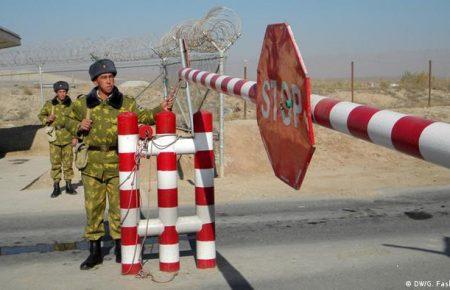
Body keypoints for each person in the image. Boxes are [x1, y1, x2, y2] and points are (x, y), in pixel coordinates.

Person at [65, 59, 174, 270]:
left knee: (118, 208)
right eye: (104, 77)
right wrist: (78, 125)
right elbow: (65, 122)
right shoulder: (82, 104)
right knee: (93, 209)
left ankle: (120, 248)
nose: (109, 80)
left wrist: (160, 108)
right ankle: (94, 252)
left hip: (118, 163)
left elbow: (144, 116)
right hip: (92, 165)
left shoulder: (126, 103)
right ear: (96, 80)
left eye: (111, 76)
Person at [38, 81, 77, 198]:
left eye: (64, 91)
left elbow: (76, 122)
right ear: (56, 92)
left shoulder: (71, 105)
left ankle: (69, 185)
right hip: (54, 137)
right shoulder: (50, 104)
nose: (62, 94)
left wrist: (75, 137)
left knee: (68, 163)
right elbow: (41, 115)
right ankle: (56, 186)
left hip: (68, 137)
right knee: (55, 163)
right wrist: (47, 119)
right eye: (60, 92)